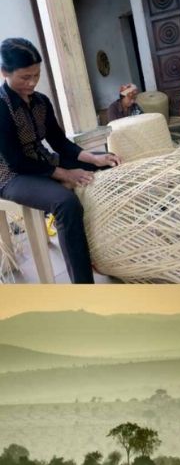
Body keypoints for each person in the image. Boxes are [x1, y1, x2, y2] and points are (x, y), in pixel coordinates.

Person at [0, 37, 119, 283]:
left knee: (110, 163)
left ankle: (111, 251)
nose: (32, 82)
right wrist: (64, 175)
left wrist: (92, 159)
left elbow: (59, 142)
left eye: (36, 75)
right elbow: (16, 161)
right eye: (25, 77)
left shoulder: (41, 102)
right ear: (4, 73)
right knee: (66, 203)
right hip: (10, 175)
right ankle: (83, 287)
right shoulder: (2, 107)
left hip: (42, 162)